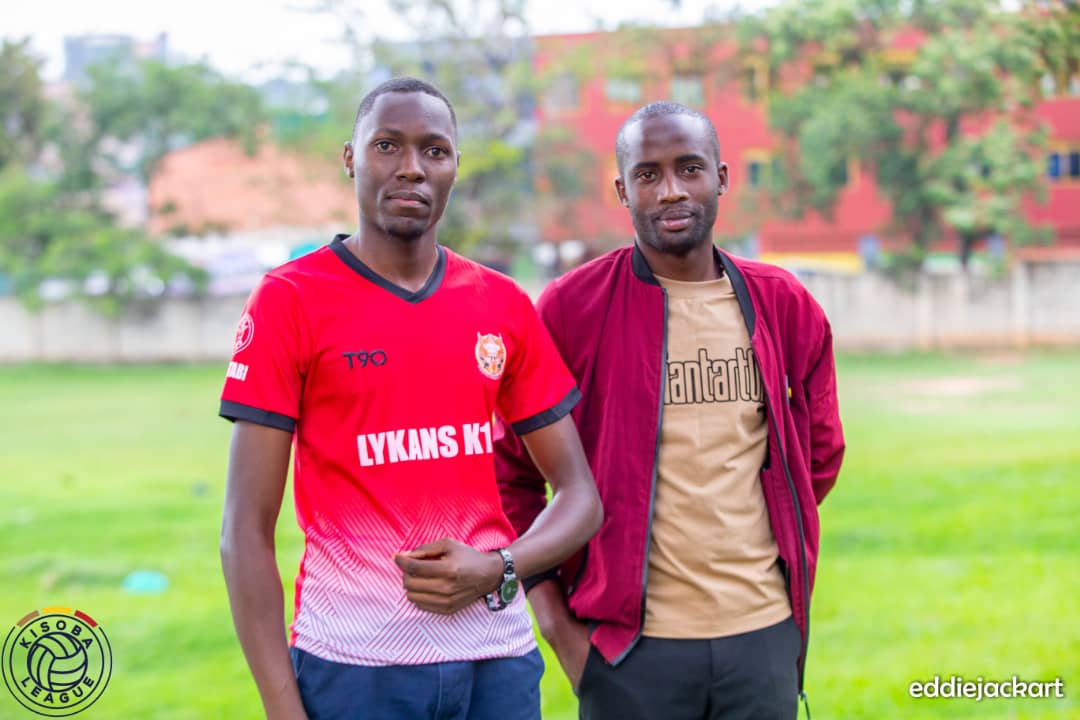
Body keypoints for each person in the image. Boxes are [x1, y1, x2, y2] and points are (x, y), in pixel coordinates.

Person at [219, 77, 602, 720]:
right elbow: (244, 532)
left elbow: (579, 497)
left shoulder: (501, 303)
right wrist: (284, 709)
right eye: (387, 145)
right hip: (354, 665)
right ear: (351, 158)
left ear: (454, 166)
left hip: (498, 663)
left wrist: (499, 567)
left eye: (434, 150)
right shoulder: (291, 300)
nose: (412, 168)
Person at [495, 101, 845, 720]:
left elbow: (819, 454)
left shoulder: (783, 304)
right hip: (627, 650)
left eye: (689, 168)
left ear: (722, 177)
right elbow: (510, 475)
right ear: (621, 190)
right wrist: (556, 624)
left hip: (763, 636)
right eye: (648, 174)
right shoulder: (572, 309)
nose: (671, 190)